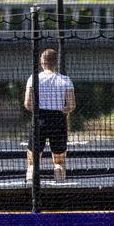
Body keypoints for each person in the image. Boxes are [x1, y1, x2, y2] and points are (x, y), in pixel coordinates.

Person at [24, 48, 75, 183]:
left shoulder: (33, 78)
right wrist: (59, 110)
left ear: (41, 62)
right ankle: (60, 190)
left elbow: (27, 103)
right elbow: (71, 105)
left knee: (32, 163)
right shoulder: (65, 80)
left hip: (39, 118)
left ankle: (30, 191)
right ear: (56, 62)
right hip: (58, 120)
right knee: (59, 163)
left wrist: (40, 112)